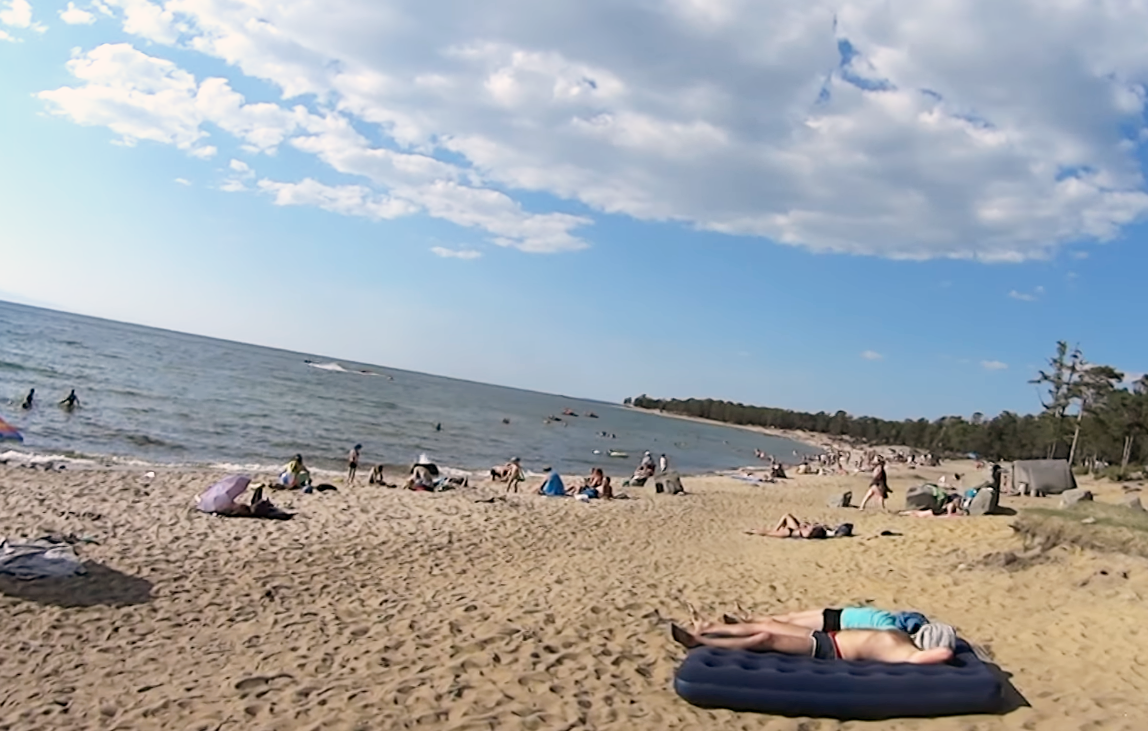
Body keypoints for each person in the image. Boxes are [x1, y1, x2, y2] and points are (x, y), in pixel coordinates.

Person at [670, 617, 955, 665]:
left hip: (830, 651)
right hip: (827, 638)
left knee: (765, 638)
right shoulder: (904, 637)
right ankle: (708, 629)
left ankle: (701, 643)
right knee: (769, 624)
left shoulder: (908, 653)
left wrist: (948, 650)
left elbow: (941, 655)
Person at [746, 513, 829, 539]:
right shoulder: (811, 531)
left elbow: (803, 532)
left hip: (790, 532)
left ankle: (753, 531)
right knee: (787, 515)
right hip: (793, 530)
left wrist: (804, 526)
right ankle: (754, 531)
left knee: (768, 533)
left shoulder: (808, 532)